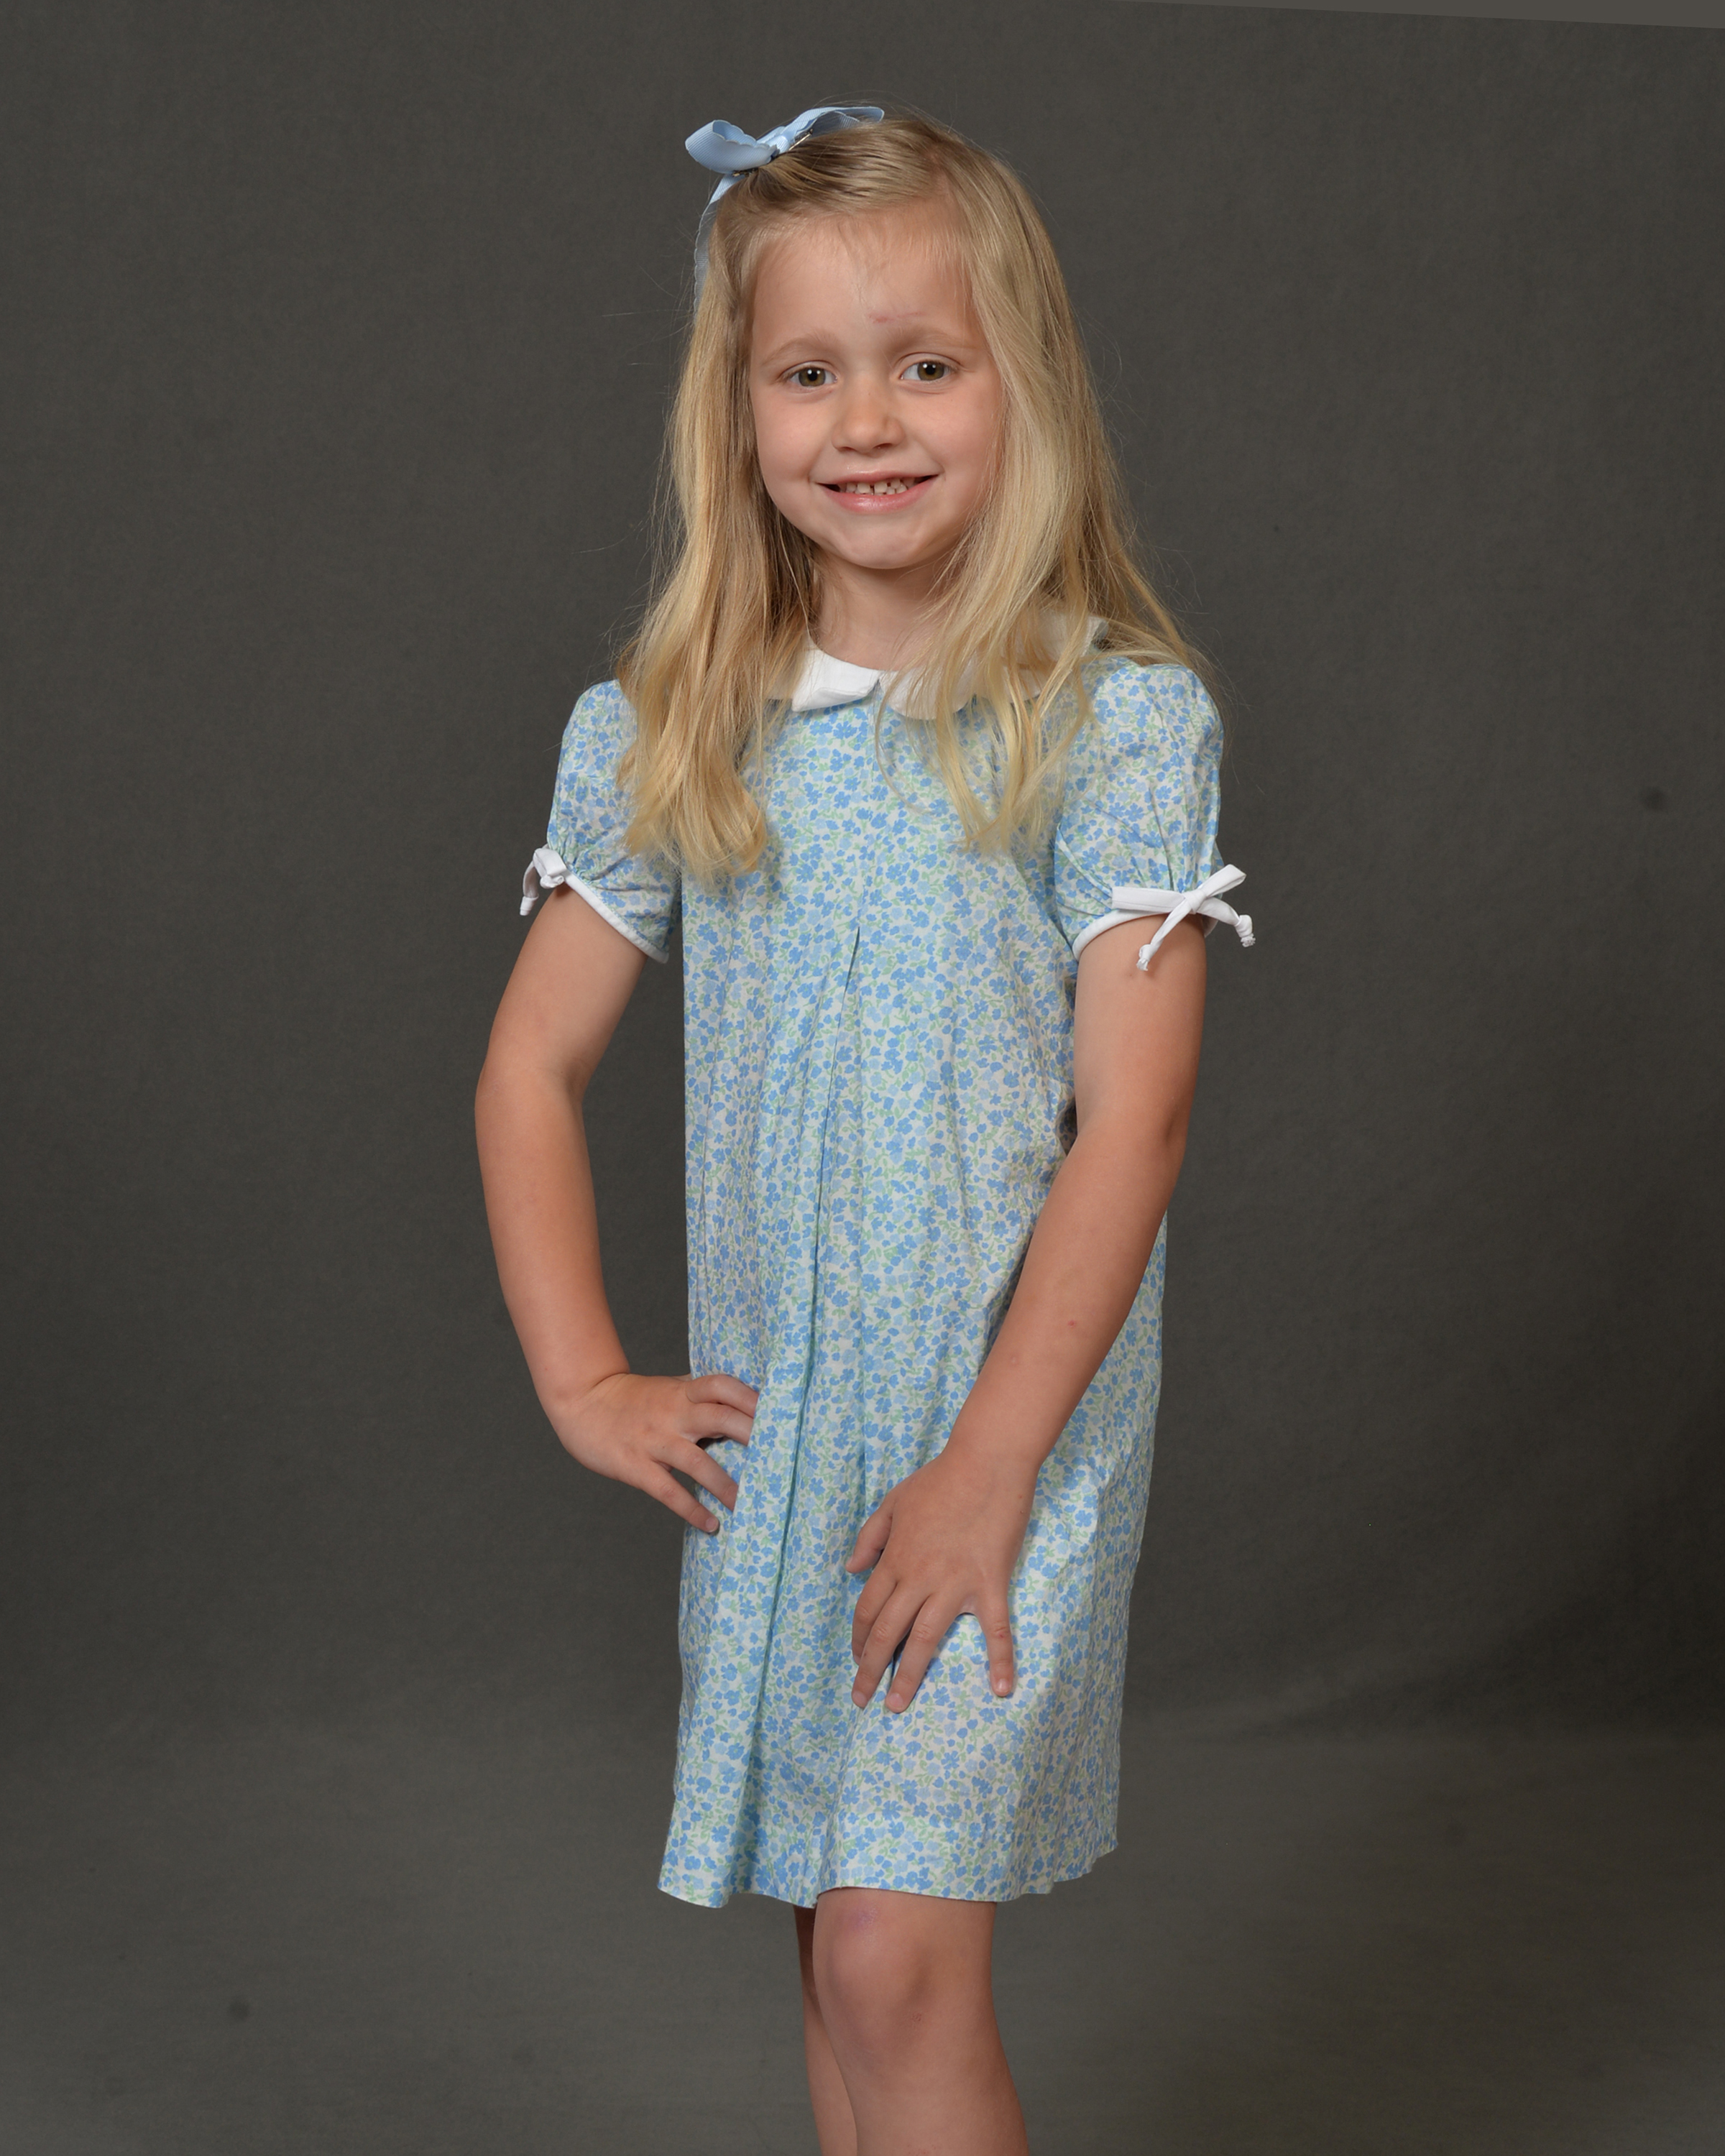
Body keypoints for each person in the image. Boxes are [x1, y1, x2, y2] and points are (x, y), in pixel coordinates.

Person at [475, 105, 1253, 2156]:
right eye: (808, 372)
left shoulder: (1108, 721)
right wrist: (583, 1378)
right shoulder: (675, 728)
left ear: (1022, 384)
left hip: (1005, 1432)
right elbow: (528, 1071)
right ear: (737, 412)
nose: (868, 422)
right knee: (835, 1944)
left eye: (925, 363)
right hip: (794, 1437)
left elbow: (1138, 1125)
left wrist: (989, 1468)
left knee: (901, 1962)